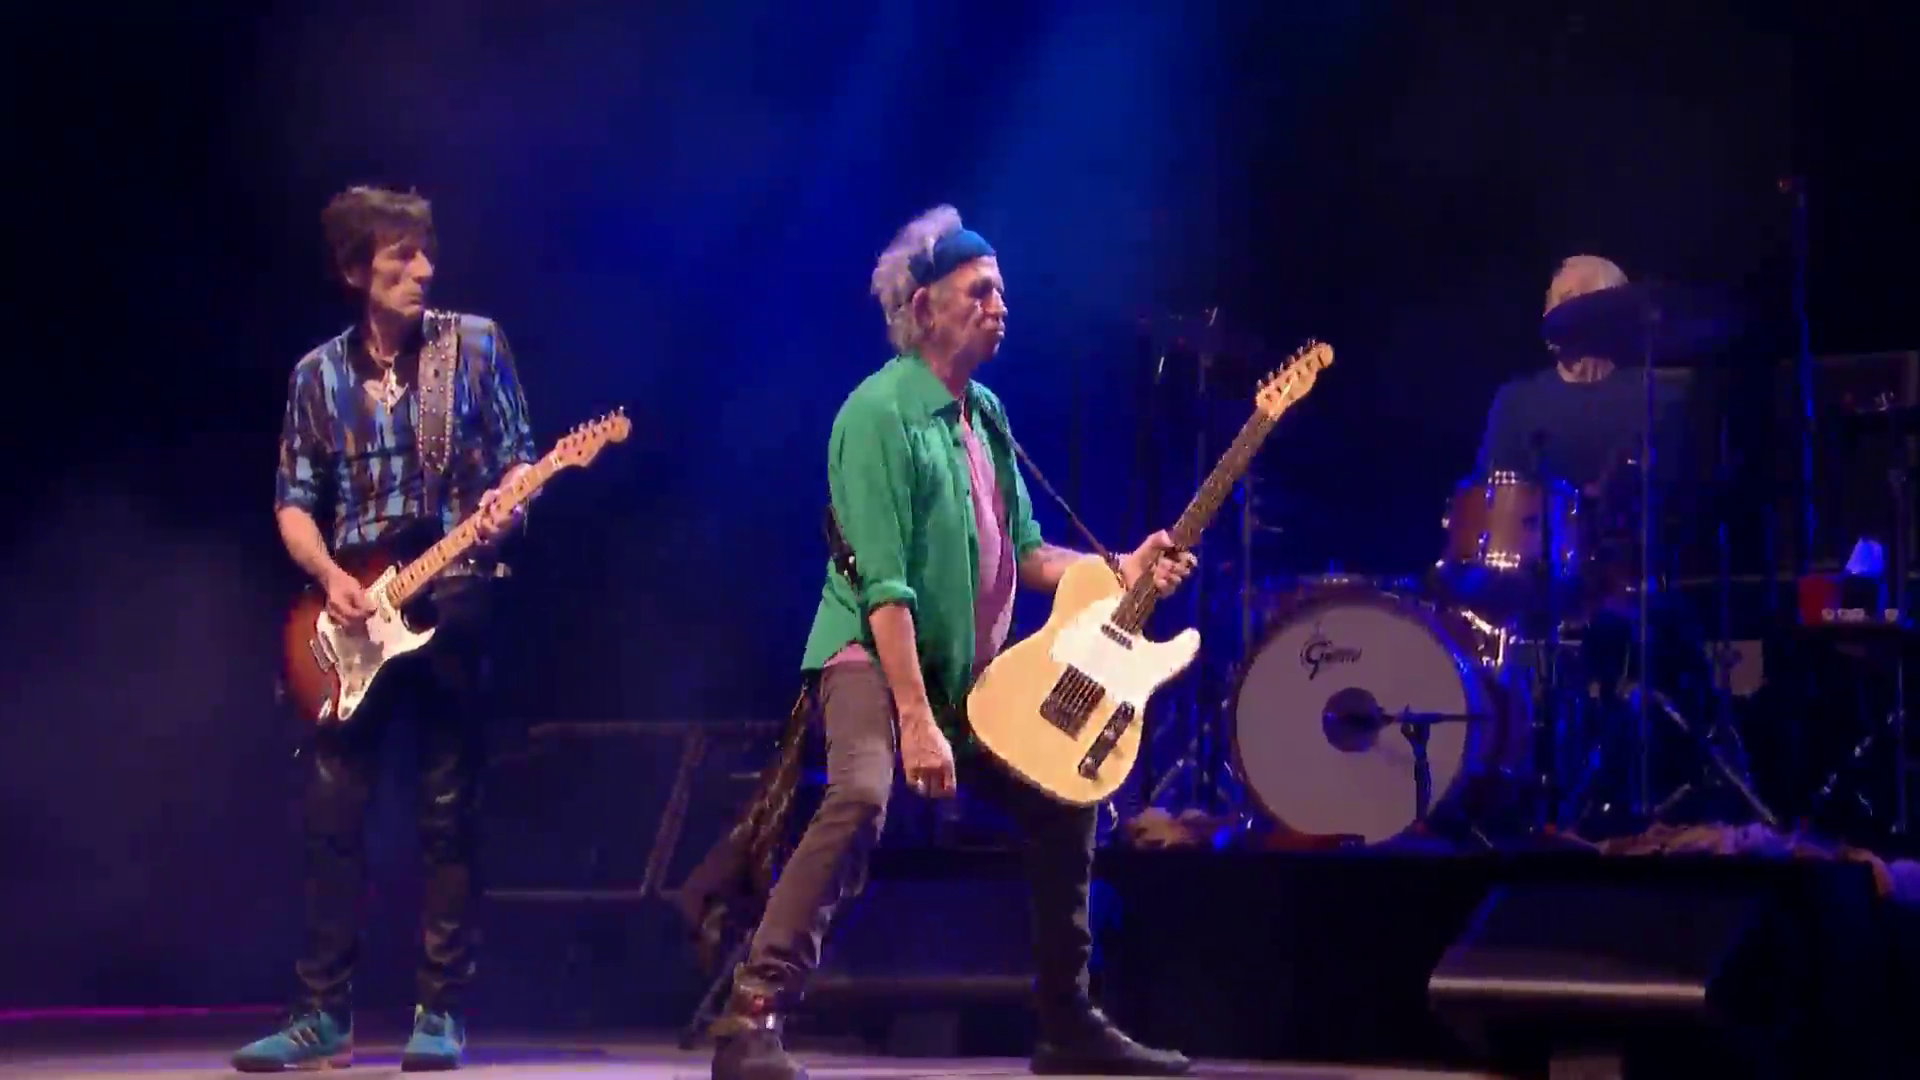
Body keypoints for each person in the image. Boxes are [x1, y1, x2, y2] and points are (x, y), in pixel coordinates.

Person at [709, 206, 1198, 1080]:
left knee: (1065, 791)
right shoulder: (877, 413)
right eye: (979, 291)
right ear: (923, 306)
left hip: (967, 678)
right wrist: (915, 719)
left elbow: (1030, 551)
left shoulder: (986, 415)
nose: (999, 305)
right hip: (870, 659)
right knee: (862, 794)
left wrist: (1122, 566)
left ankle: (1066, 1023)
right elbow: (884, 586)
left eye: (1001, 291)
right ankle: (751, 1016)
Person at [232, 186, 536, 1073]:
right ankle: (319, 1017)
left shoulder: (474, 346)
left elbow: (520, 460)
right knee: (332, 819)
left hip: (455, 596)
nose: (423, 270)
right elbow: (295, 502)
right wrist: (331, 579)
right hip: (356, 618)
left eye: (426, 252)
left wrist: (507, 506)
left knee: (448, 813)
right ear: (355, 269)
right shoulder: (316, 377)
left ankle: (439, 1012)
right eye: (402, 256)